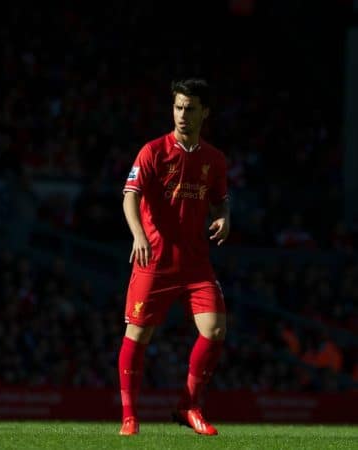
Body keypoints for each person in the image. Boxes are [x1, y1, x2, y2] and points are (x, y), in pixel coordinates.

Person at [118, 78, 230, 436]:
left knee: (214, 331)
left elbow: (220, 198)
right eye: (178, 107)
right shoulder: (152, 151)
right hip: (155, 259)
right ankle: (129, 417)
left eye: (191, 108)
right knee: (138, 334)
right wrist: (138, 235)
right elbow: (129, 196)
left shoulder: (215, 159)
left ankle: (188, 406)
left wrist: (225, 216)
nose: (183, 114)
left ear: (204, 113)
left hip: (196, 262)